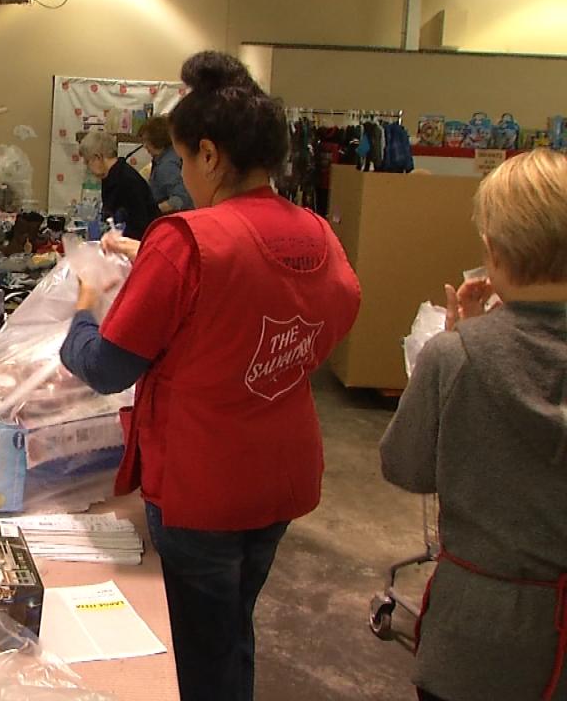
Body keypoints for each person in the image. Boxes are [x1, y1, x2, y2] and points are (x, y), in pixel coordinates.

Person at [58, 51, 361, 701]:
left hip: (202, 484)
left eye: (185, 161)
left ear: (210, 155)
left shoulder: (187, 239)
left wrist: (83, 311)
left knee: (194, 651)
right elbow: (323, 314)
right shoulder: (317, 233)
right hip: (279, 478)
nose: (184, 177)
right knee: (231, 628)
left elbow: (107, 366)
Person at [381, 149, 567, 701]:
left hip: (474, 639)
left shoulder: (453, 356)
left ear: (492, 250)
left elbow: (405, 465)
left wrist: (465, 342)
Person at [80, 129, 160, 241]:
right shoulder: (111, 176)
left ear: (98, 158)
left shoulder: (127, 181)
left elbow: (139, 226)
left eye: (87, 161)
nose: (87, 167)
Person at [142, 115, 194, 214]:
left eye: (146, 141)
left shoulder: (167, 166)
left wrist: (151, 211)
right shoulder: (172, 155)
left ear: (155, 140)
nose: (145, 146)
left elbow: (180, 199)